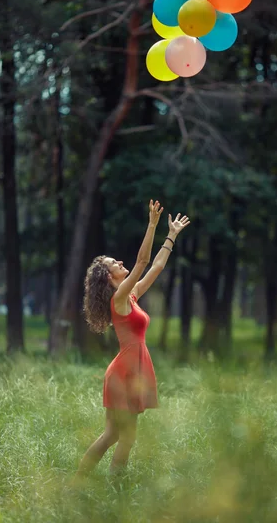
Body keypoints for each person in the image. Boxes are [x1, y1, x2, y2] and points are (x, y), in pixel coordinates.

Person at [73, 199, 190, 483]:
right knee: (125, 436)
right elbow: (141, 262)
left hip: (129, 367)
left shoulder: (131, 295)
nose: (121, 262)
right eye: (115, 263)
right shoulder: (120, 298)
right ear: (108, 276)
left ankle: (79, 484)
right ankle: (111, 488)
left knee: (114, 434)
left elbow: (156, 267)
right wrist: (152, 225)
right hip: (126, 371)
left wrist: (171, 236)